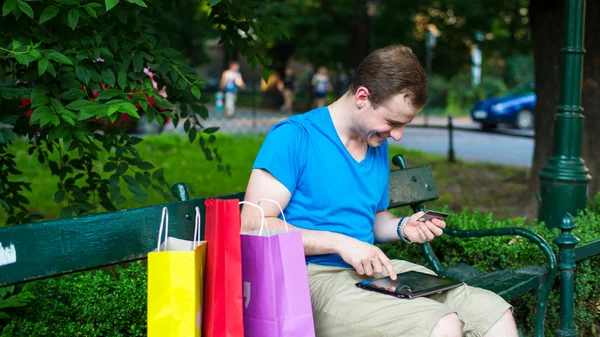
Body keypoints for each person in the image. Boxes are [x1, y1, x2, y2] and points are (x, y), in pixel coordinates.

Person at [241, 45, 518, 337]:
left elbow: (371, 218)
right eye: (392, 122)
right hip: (307, 279)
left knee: (492, 311)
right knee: (440, 324)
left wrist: (403, 226)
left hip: (370, 271)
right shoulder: (294, 136)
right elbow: (252, 225)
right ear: (363, 97)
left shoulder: (374, 142)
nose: (397, 135)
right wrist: (340, 243)